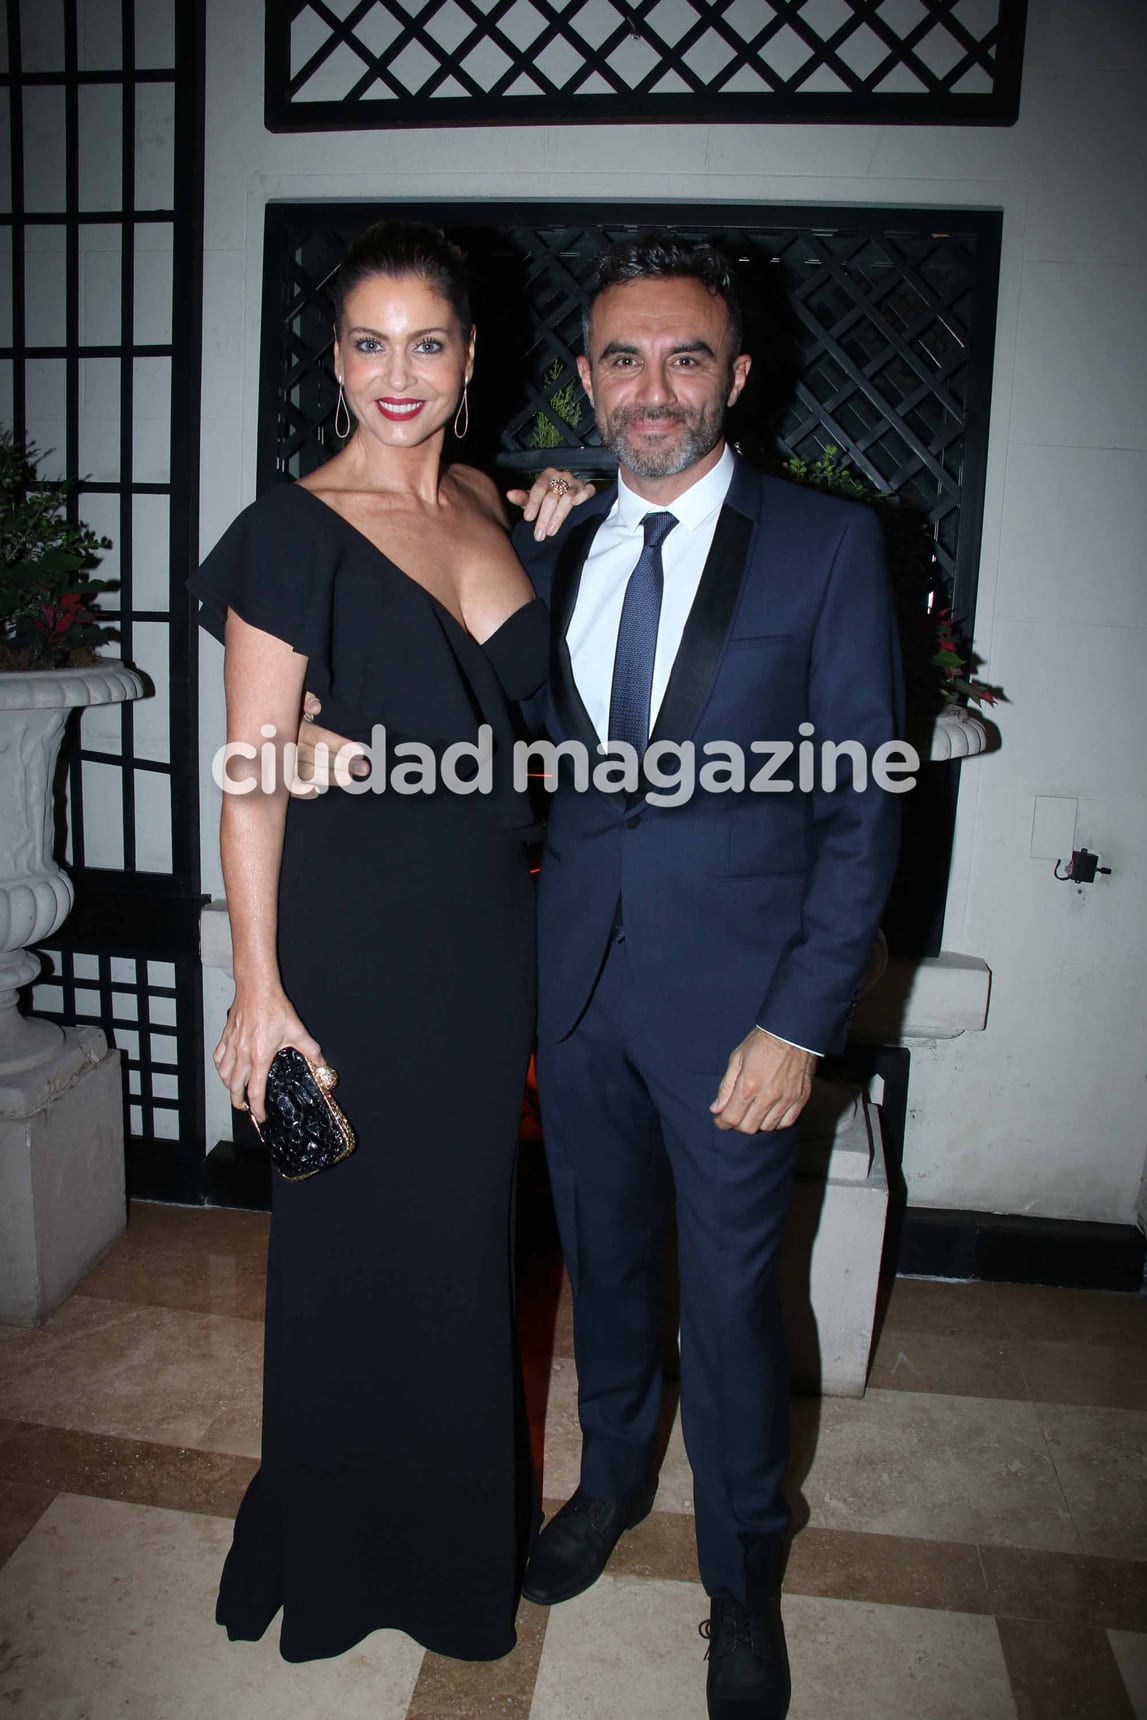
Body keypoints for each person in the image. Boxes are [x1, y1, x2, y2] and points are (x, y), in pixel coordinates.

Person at [300, 233, 904, 1718]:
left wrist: (798, 1024)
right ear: (583, 376)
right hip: (567, 1000)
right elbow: (466, 724)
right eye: (622, 358)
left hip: (739, 1017)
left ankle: (742, 1575)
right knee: (609, 1277)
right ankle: (612, 1486)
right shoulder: (540, 538)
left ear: (737, 377)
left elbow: (866, 804)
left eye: (686, 356)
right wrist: (328, 744)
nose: (653, 387)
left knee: (737, 1307)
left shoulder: (828, 549)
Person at [187, 219, 592, 1664]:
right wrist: (263, 995)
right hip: (354, 947)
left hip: (488, 941)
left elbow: (512, 716)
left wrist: (550, 515)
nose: (397, 372)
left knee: (459, 1252)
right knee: (353, 1246)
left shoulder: (493, 495)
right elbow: (246, 771)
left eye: (429, 341)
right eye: (369, 342)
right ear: (339, 362)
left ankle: (444, 1547)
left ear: (472, 359)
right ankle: (344, 1554)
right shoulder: (294, 529)